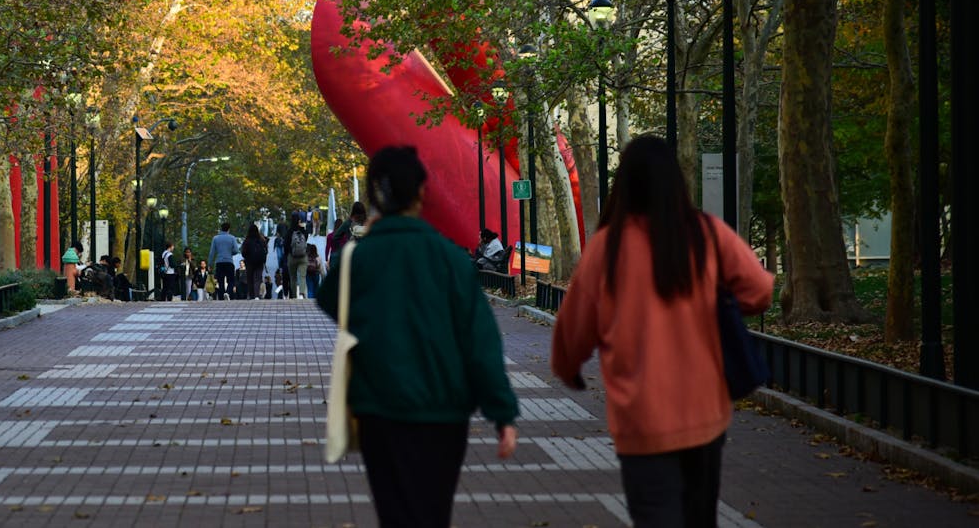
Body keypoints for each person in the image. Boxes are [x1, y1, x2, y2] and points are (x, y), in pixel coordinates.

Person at [551, 135, 773, 527]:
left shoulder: (607, 248)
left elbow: (574, 328)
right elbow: (760, 290)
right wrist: (713, 302)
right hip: (705, 413)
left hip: (641, 421)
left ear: (626, 185)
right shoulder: (706, 234)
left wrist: (569, 368)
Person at [317, 145, 518, 527]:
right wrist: (502, 412)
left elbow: (329, 300)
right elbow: (481, 342)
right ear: (423, 192)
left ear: (376, 196)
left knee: (395, 513)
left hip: (379, 409)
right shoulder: (451, 259)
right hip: (444, 410)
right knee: (433, 512)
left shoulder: (357, 259)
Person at [208, 221, 237, 301]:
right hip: (229, 261)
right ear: (229, 229)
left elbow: (212, 252)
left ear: (221, 228)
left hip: (219, 262)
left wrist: (210, 264)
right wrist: (229, 252)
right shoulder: (232, 238)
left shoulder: (215, 238)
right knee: (231, 280)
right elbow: (236, 250)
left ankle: (221, 298)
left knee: (220, 281)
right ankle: (227, 293)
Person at [241, 223, 269, 300]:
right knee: (257, 278)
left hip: (249, 262)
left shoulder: (247, 240)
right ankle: (257, 295)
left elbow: (243, 252)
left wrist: (247, 257)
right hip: (259, 262)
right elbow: (265, 251)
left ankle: (251, 295)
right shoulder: (261, 240)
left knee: (250, 279)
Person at [285, 215, 310, 298]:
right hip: (303, 256)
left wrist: (287, 255)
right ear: (299, 221)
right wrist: (302, 227)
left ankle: (294, 295)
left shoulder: (289, 231)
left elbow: (286, 245)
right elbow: (306, 237)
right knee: (302, 276)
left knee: (293, 277)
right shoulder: (302, 230)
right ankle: (302, 293)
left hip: (292, 257)